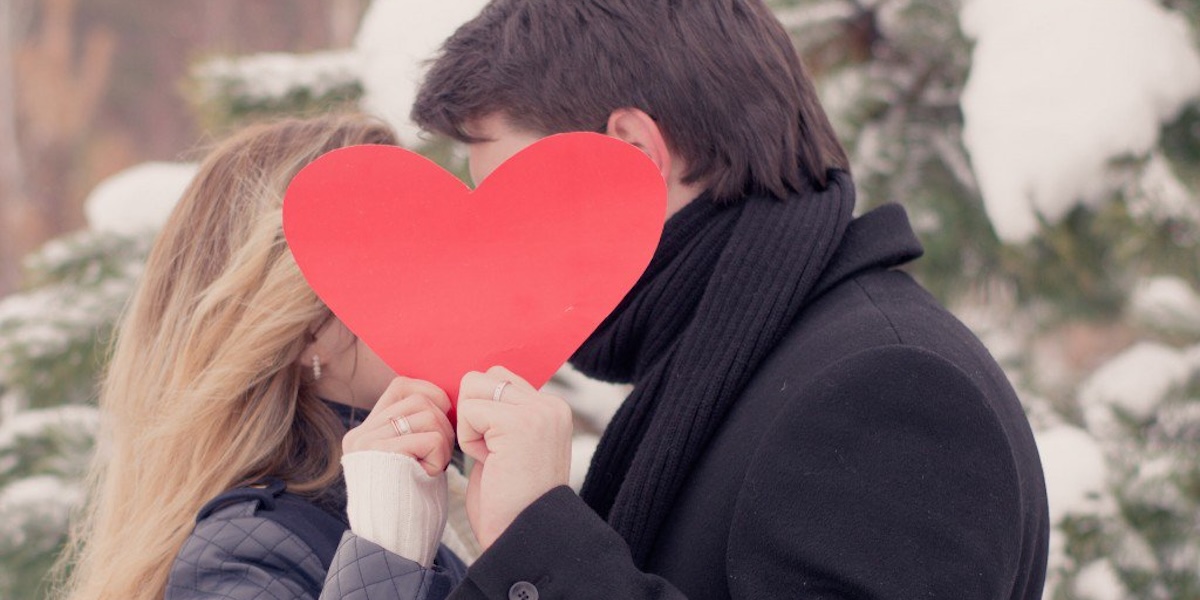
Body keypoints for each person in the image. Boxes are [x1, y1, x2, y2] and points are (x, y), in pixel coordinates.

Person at [413, 1, 1052, 598]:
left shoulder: (887, 390)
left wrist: (538, 543)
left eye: (511, 204)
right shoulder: (740, 361)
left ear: (631, 152)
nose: (508, 251)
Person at [56, 115, 466, 600]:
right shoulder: (238, 556)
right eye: (408, 263)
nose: (453, 288)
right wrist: (388, 549)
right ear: (309, 331)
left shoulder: (438, 496)